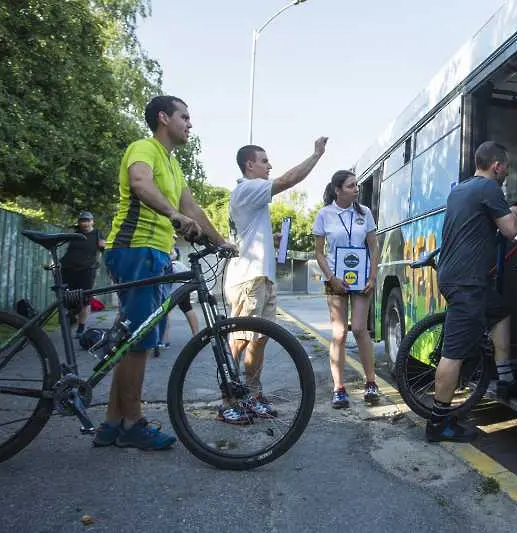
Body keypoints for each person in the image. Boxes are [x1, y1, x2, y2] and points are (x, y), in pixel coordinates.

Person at [95, 95, 235, 450]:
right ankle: (132, 423)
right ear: (163, 118)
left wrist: (220, 242)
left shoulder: (173, 166)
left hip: (154, 253)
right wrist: (174, 216)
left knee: (134, 341)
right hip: (134, 248)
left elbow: (193, 209)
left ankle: (112, 422)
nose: (190, 123)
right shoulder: (143, 148)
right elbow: (141, 184)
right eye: (184, 117)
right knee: (138, 341)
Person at [220, 137, 328, 424]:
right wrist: (315, 155)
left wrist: (272, 238)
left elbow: (250, 232)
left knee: (259, 340)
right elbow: (288, 180)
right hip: (248, 279)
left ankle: (252, 396)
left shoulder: (253, 196)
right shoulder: (248, 188)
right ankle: (227, 401)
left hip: (262, 278)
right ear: (249, 165)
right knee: (240, 340)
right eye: (264, 160)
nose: (269, 166)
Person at [426, 141, 517, 443]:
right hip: (467, 282)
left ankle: (505, 374)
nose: (506, 172)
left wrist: (506, 210)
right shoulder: (490, 188)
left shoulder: (462, 189)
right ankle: (438, 423)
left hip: (455, 276)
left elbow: (479, 221)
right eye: (505, 167)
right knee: (453, 354)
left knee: (500, 310)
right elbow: (509, 231)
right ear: (496, 165)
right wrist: (515, 214)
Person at [312, 170, 379, 408]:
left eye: (357, 186)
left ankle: (370, 382)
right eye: (351, 186)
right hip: (334, 280)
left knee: (360, 329)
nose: (356, 189)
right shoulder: (324, 214)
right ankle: (338, 388)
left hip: (361, 279)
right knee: (339, 333)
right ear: (338, 189)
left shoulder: (365, 213)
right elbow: (319, 252)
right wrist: (331, 277)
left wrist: (372, 276)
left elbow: (373, 245)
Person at [60, 211, 105, 339]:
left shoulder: (97, 234)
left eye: (87, 221)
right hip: (67, 269)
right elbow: (61, 242)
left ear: (92, 222)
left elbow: (104, 249)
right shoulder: (74, 233)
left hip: (87, 270)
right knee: (67, 298)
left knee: (85, 300)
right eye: (82, 221)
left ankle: (81, 328)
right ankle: (72, 316)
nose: (85, 223)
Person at [154, 248, 200, 356]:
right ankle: (196, 335)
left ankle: (163, 340)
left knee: (166, 313)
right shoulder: (178, 264)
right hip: (181, 289)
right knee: (186, 310)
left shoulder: (171, 264)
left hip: (172, 290)